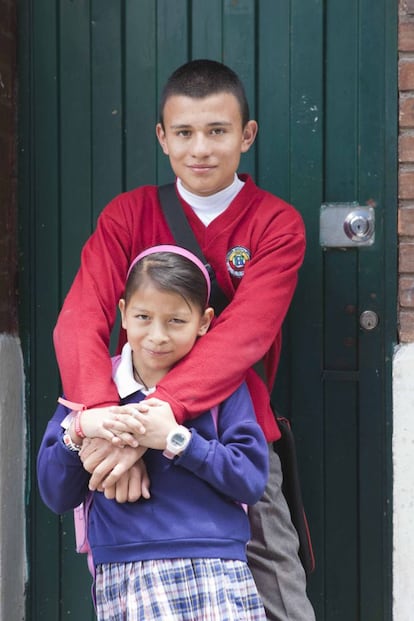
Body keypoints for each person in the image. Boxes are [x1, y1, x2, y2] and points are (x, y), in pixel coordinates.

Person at [53, 59, 315, 620]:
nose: (201, 148)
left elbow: (243, 337)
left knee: (281, 598)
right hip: (119, 431)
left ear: (247, 135)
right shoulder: (127, 216)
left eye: (218, 131)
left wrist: (150, 423)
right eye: (185, 133)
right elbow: (81, 318)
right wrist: (108, 420)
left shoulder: (276, 224)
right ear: (162, 137)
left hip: (230, 434)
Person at [38, 246, 269, 620]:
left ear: (205, 321)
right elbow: (56, 493)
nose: (157, 336)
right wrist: (81, 430)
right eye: (144, 316)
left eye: (176, 321)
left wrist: (176, 440)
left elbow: (250, 480)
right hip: (126, 568)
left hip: (214, 566)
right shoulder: (94, 388)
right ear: (123, 313)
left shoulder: (223, 388)